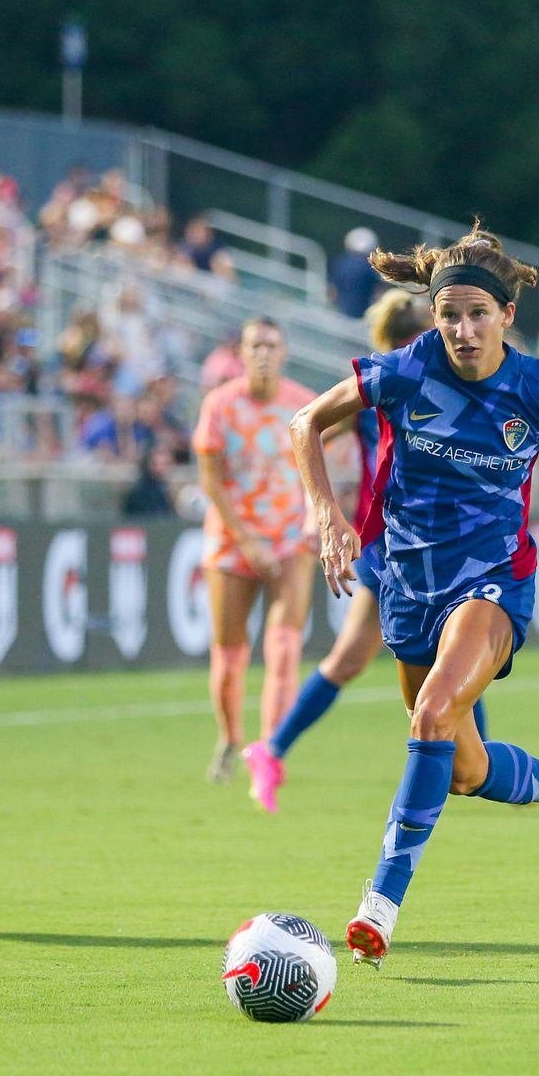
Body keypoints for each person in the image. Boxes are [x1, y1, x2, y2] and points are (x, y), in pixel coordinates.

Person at [288, 223, 539, 968]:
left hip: (493, 582)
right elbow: (306, 423)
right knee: (464, 769)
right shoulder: (404, 368)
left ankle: (380, 905)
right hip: (408, 584)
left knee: (429, 715)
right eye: (449, 315)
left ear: (506, 317)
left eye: (477, 314)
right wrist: (324, 512)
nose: (461, 329)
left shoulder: (537, 386)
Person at [241, 290, 491, 813]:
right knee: (419, 648)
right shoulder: (404, 379)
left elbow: (324, 441)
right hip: (399, 539)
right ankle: (272, 749)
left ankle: (273, 750)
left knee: (437, 643)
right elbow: (318, 437)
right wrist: (324, 510)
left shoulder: (399, 378)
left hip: (409, 536)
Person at [192, 318, 319, 784]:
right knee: (229, 653)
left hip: (289, 540)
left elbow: (316, 469)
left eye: (271, 344)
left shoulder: (302, 404)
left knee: (284, 647)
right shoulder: (220, 406)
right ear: (241, 354)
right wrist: (246, 541)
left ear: (284, 351)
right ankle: (229, 738)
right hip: (231, 540)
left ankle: (270, 750)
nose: (263, 352)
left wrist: (313, 517)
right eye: (254, 345)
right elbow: (210, 479)